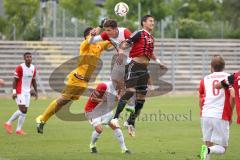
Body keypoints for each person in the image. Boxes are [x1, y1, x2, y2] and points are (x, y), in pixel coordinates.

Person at [35, 27, 111, 134]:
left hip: (84, 82)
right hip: (76, 80)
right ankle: (42, 119)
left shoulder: (98, 45)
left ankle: (42, 118)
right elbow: (90, 39)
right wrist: (97, 30)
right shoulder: (84, 45)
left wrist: (117, 34)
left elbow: (110, 41)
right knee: (62, 100)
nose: (94, 34)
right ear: (86, 36)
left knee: (63, 102)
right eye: (91, 33)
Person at [110, 15, 166, 136]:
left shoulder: (151, 38)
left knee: (141, 99)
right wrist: (122, 48)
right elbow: (128, 42)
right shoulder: (139, 33)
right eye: (150, 21)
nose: (152, 23)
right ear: (143, 23)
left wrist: (159, 62)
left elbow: (150, 53)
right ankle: (115, 118)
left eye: (153, 21)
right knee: (130, 91)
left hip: (144, 69)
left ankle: (131, 121)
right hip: (134, 66)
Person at [89, 19, 136, 113]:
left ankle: (132, 104)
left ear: (115, 29)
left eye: (109, 30)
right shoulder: (106, 34)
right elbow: (91, 42)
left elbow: (134, 43)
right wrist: (92, 36)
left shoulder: (125, 32)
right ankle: (111, 108)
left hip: (133, 58)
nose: (106, 32)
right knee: (114, 79)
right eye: (105, 30)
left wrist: (123, 47)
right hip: (121, 59)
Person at [199, 55, 235, 160]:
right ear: (224, 66)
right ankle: (208, 150)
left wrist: (202, 113)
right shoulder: (229, 78)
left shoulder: (204, 80)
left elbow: (201, 99)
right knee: (222, 148)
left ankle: (206, 153)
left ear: (211, 67)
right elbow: (232, 97)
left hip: (205, 114)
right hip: (220, 115)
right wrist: (230, 115)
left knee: (208, 143)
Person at [85, 82, 130, 154]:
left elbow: (116, 98)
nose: (123, 86)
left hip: (105, 110)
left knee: (116, 127)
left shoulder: (119, 89)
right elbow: (93, 99)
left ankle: (124, 149)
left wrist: (120, 98)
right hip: (92, 110)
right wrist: (106, 100)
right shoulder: (103, 86)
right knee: (99, 130)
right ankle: (92, 145)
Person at [4, 52, 38, 135]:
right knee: (22, 109)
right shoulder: (20, 67)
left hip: (27, 92)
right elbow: (15, 80)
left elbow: (33, 80)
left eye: (30, 57)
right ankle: (8, 123)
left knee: (24, 111)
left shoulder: (33, 68)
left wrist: (36, 91)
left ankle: (18, 129)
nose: (29, 58)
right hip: (20, 91)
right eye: (27, 57)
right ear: (24, 58)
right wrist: (14, 92)